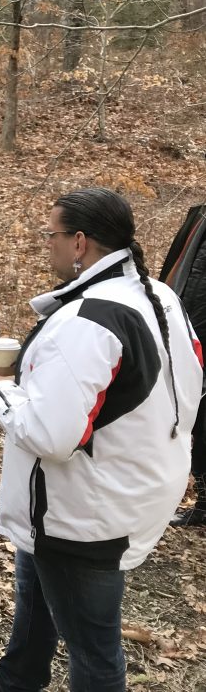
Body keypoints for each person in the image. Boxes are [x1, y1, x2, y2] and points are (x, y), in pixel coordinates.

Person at [0, 188, 203, 692]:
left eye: (50, 234)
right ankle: (18, 677)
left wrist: (2, 392)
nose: (44, 245)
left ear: (78, 243)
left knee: (94, 651)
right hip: (127, 482)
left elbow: (52, 436)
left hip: (88, 513)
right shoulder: (159, 294)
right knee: (35, 574)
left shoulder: (87, 322)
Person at [158, 202, 206, 525]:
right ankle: (203, 501)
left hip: (196, 333)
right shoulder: (199, 215)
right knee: (197, 422)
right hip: (187, 332)